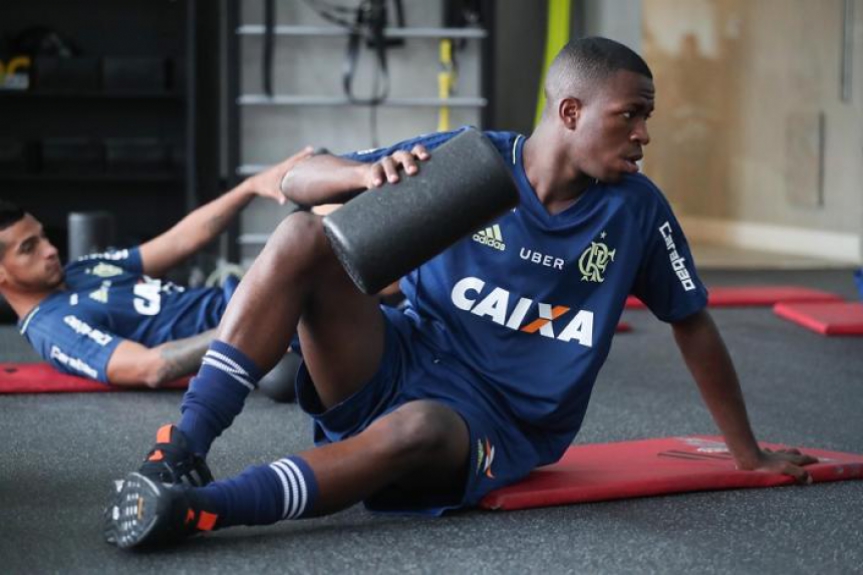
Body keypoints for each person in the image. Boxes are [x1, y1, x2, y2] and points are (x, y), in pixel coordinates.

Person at [104, 37, 817, 549]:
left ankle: (198, 509)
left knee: (417, 428)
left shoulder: (634, 211)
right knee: (298, 238)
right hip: (396, 357)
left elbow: (692, 324)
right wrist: (365, 177)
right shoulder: (470, 161)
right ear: (569, 112)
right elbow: (294, 180)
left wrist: (746, 453)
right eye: (628, 115)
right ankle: (179, 449)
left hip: (494, 420)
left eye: (645, 117)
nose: (643, 135)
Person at [0, 148, 313, 387]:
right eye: (29, 248)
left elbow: (179, 241)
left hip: (251, 298)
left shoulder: (79, 270)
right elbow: (152, 367)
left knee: (319, 174)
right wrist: (250, 330)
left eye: (41, 237)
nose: (51, 250)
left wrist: (252, 187)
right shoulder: (54, 327)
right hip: (257, 320)